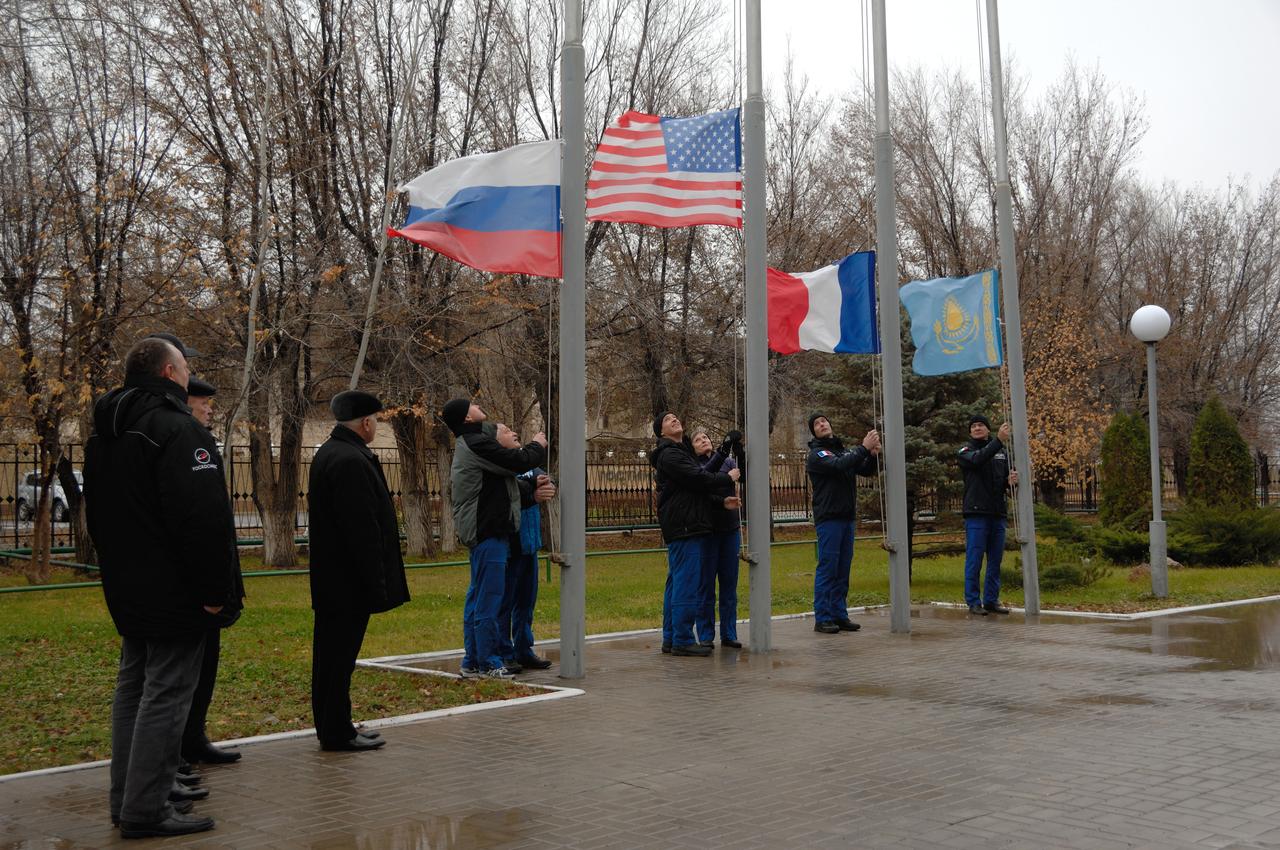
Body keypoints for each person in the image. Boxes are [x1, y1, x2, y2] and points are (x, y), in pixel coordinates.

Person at [84, 336, 242, 838]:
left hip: (128, 586)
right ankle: (146, 809)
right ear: (172, 374)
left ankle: (127, 800)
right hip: (175, 590)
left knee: (133, 691)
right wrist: (216, 590)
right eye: (186, 369)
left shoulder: (106, 434)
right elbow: (202, 520)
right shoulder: (178, 431)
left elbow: (100, 517)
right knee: (166, 696)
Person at [307, 390, 410, 751]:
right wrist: (375, 583)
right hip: (346, 583)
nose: (376, 425)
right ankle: (336, 732)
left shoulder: (334, 453)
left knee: (333, 659)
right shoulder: (349, 460)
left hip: (336, 581)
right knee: (337, 660)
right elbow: (362, 528)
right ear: (365, 423)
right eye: (376, 420)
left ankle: (337, 725)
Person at [441, 398, 546, 679]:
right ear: (466, 418)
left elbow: (502, 485)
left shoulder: (473, 443)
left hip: (488, 533)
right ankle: (488, 662)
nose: (477, 404)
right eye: (471, 404)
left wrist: (531, 485)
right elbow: (519, 461)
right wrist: (538, 444)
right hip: (488, 533)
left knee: (479, 598)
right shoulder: (476, 443)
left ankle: (473, 660)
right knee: (489, 599)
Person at [179, 377, 246, 766]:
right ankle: (177, 748)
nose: (209, 409)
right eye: (203, 402)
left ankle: (193, 737)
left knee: (206, 666)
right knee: (182, 675)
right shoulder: (186, 441)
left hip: (212, 580)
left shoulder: (199, 440)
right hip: (195, 588)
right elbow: (201, 520)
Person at [650, 412, 740, 657]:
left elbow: (696, 483)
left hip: (685, 524)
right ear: (661, 432)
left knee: (677, 582)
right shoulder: (669, 454)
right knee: (686, 583)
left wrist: (722, 452)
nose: (675, 419)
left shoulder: (679, 452)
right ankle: (682, 639)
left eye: (675, 417)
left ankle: (671, 638)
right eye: (668, 420)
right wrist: (726, 477)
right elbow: (699, 478)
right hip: (685, 525)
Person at [805, 413, 881, 635]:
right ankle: (823, 617)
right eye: (817, 424)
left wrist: (873, 455)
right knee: (828, 568)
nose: (822, 424)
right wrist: (863, 448)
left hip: (847, 517)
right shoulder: (817, 454)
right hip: (829, 518)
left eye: (824, 421)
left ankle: (839, 614)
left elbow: (863, 469)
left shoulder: (841, 450)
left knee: (842, 569)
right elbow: (839, 466)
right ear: (814, 432)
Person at [497, 465, 557, 672]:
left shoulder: (528, 466)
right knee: (505, 603)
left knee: (526, 602)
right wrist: (532, 490)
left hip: (530, 546)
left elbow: (547, 480)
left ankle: (523, 649)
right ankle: (504, 652)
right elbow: (510, 493)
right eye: (507, 430)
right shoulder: (502, 464)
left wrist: (546, 485)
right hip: (512, 548)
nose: (513, 435)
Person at [958, 415, 1019, 616]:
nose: (977, 428)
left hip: (997, 513)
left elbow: (1002, 481)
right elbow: (978, 460)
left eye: (981, 425)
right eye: (973, 426)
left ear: (987, 428)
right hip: (976, 514)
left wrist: (1010, 482)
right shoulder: (966, 451)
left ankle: (991, 600)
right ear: (970, 431)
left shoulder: (1001, 453)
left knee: (995, 560)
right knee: (974, 559)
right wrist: (998, 440)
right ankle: (973, 601)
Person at [691, 428, 744, 648]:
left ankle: (729, 633)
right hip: (707, 531)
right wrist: (726, 480)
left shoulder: (727, 462)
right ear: (692, 447)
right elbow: (703, 488)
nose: (703, 440)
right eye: (697, 439)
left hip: (730, 529)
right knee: (705, 585)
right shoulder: (694, 466)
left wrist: (739, 449)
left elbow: (745, 473)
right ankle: (705, 635)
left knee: (729, 584)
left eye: (705, 437)